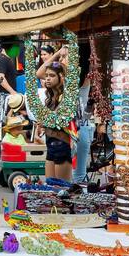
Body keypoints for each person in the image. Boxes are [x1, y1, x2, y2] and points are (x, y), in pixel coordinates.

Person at [34, 43, 75, 181]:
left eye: (52, 76)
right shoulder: (52, 95)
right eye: (48, 76)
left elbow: (60, 119)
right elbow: (39, 73)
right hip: (51, 144)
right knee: (51, 189)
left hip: (62, 144)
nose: (47, 78)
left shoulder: (68, 92)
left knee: (61, 190)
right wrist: (57, 54)